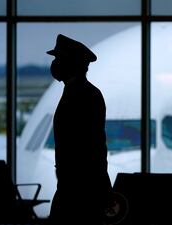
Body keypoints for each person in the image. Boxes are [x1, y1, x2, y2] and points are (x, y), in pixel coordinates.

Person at [47, 34, 112, 225]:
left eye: (59, 58)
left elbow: (91, 146)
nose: (56, 64)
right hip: (76, 185)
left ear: (70, 63)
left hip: (80, 187)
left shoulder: (83, 94)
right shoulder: (80, 92)